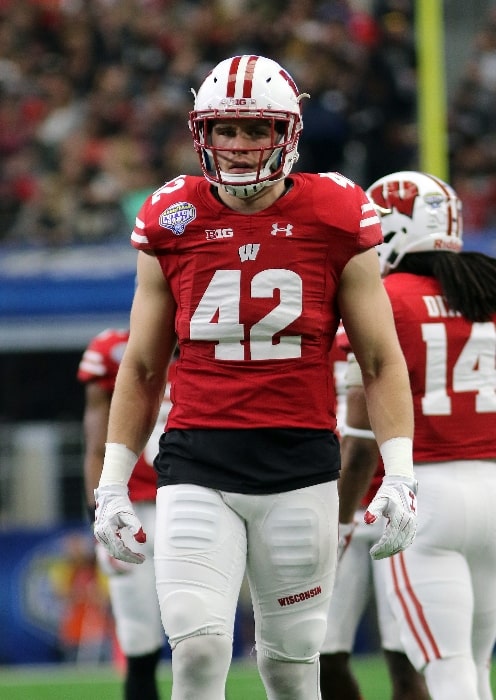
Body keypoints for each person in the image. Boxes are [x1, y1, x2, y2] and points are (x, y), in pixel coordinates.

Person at [92, 55, 418, 700]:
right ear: (201, 134)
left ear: (287, 133)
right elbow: (144, 365)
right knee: (198, 652)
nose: (238, 147)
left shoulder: (335, 212)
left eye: (255, 129)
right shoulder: (173, 214)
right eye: (224, 131)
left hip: (299, 465)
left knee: (293, 670)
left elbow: (379, 361)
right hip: (195, 461)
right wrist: (111, 483)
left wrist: (401, 473)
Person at [338, 169, 496, 700]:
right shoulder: (487, 290)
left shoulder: (387, 298)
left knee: (447, 671)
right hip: (492, 489)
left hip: (422, 498)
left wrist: (338, 521)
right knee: (475, 668)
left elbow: (359, 430)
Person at [320, 331, 429, 700]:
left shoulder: (389, 318)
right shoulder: (305, 322)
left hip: (391, 502)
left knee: (408, 658)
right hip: (326, 497)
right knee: (322, 658)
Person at [78, 328, 172, 700]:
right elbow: (95, 446)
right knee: (139, 645)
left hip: (195, 503)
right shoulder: (114, 350)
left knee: (202, 640)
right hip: (128, 510)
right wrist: (96, 520)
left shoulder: (221, 341)